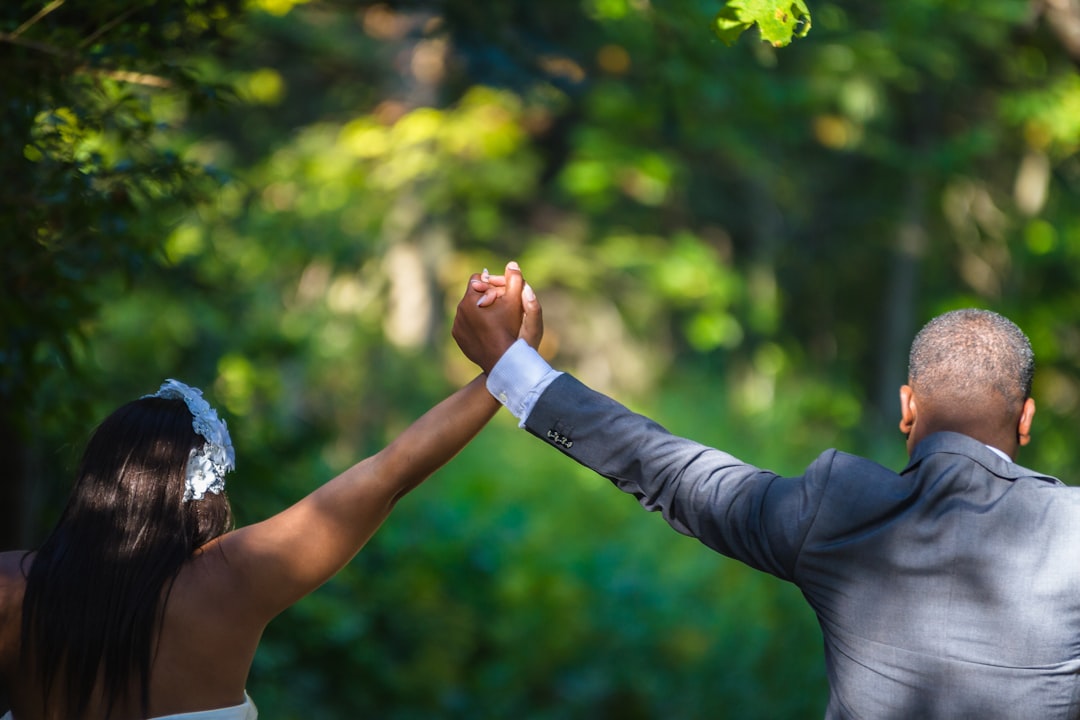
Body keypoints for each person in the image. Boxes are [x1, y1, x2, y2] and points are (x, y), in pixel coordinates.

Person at [453, 263, 1080, 719]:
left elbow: (670, 470)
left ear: (907, 407)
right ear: (1025, 418)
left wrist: (513, 366)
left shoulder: (842, 508)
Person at [0, 275, 541, 720]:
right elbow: (390, 472)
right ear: (203, 491)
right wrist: (511, 367)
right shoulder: (231, 580)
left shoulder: (11, 589)